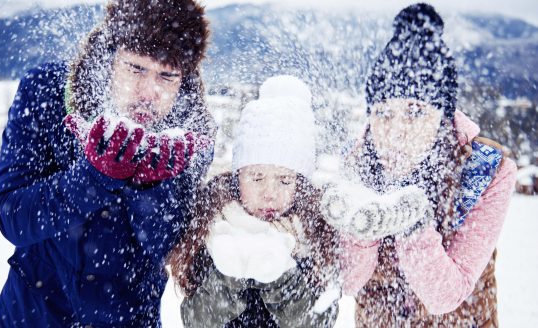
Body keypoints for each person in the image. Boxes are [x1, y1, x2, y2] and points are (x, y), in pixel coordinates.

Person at [0, 0, 215, 326]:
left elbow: (166, 246)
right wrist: (93, 177)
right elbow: (13, 218)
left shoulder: (191, 137)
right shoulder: (47, 93)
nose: (149, 92)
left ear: (185, 80)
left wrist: (149, 186)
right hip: (33, 315)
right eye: (136, 68)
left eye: (167, 76)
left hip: (127, 318)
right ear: (109, 59)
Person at [322, 3, 517, 327]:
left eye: (414, 112)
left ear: (442, 116)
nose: (396, 133)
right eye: (383, 113)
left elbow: (445, 296)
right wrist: (361, 222)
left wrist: (412, 225)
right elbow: (349, 282)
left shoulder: (484, 171)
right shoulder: (357, 161)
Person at [168, 76, 340, 328]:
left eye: (284, 180)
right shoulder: (214, 225)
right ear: (238, 177)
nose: (270, 193)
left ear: (299, 184)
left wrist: (280, 270)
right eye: (257, 178)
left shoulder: (314, 234)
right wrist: (231, 269)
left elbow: (316, 323)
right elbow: (196, 321)